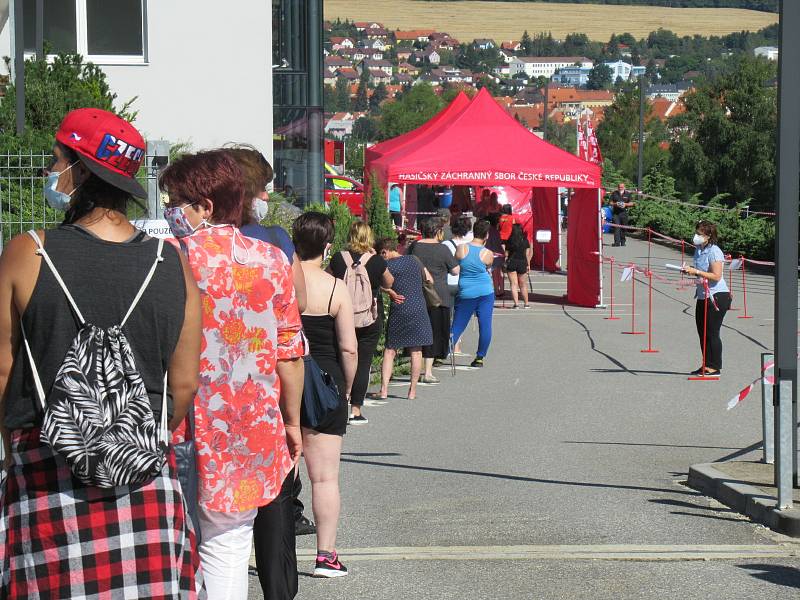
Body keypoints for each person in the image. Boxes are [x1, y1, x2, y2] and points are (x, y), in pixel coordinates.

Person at [0, 108, 204, 598]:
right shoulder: (171, 264)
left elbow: (3, 369)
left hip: (46, 470)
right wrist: (125, 435)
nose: (51, 171)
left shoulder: (29, 253)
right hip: (145, 479)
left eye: (57, 160)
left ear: (81, 169)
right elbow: (184, 385)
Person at [160, 150, 306, 600]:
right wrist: (292, 420)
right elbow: (289, 352)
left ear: (205, 205)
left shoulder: (168, 257)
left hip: (177, 423)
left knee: (177, 549)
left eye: (176, 200)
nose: (170, 210)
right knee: (229, 546)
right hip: (251, 426)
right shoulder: (271, 259)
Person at [292, 212, 357, 578]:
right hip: (326, 381)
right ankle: (325, 556)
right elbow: (348, 348)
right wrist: (347, 388)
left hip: (285, 376)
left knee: (282, 472)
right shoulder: (336, 288)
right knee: (325, 477)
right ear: (327, 247)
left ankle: (275, 549)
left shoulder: (283, 283)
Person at [329, 221, 396, 425]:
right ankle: (355, 410)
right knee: (363, 363)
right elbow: (389, 282)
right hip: (369, 318)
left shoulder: (339, 258)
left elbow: (326, 278)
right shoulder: (376, 261)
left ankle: (339, 403)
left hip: (341, 316)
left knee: (340, 360)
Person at [228, 145, 306, 312]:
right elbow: (300, 301)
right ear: (243, 191)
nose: (266, 196)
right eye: (262, 188)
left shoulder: (200, 244)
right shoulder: (276, 238)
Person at [375, 237, 433, 400]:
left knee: (390, 350)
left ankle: (384, 390)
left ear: (385, 251)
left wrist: (388, 292)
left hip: (400, 309)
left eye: (381, 254)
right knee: (416, 351)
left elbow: (379, 284)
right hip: (419, 308)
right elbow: (429, 279)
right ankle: (412, 391)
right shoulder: (414, 260)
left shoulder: (387, 266)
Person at [409, 220, 459, 383]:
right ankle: (428, 372)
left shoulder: (415, 247)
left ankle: (415, 369)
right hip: (439, 296)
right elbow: (455, 270)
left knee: (418, 333)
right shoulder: (442, 248)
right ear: (438, 232)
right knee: (435, 334)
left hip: (418, 294)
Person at [684, 221, 730, 377]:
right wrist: (690, 271)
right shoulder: (698, 250)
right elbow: (701, 272)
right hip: (703, 295)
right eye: (696, 233)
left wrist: (695, 271)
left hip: (716, 296)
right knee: (702, 331)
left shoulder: (714, 251)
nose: (696, 237)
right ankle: (706, 364)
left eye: (700, 234)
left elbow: (716, 276)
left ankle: (714, 367)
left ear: (708, 236)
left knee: (712, 332)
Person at [451, 220, 495, 368]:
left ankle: (442, 351)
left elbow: (456, 264)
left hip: (466, 291)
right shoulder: (487, 253)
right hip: (485, 292)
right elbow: (488, 267)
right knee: (485, 324)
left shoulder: (462, 248)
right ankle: (480, 357)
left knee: (458, 324)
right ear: (486, 235)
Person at [444, 216, 473, 355]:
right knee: (460, 316)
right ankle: (456, 346)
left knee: (447, 316)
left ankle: (447, 344)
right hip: (465, 283)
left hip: (448, 282)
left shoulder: (445, 245)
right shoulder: (470, 244)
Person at [505, 223, 533, 309]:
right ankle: (526, 304)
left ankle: (516, 304)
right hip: (522, 262)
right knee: (523, 284)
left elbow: (506, 254)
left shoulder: (509, 240)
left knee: (513, 284)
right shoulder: (525, 240)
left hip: (512, 262)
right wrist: (528, 265)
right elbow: (527, 254)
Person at [485, 213, 505, 297]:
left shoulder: (488, 231)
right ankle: (502, 289)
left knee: (494, 273)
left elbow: (488, 243)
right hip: (499, 252)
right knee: (500, 272)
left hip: (492, 253)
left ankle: (496, 290)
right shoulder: (497, 231)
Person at [609, 182, 635, 247]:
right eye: (619, 187)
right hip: (616, 213)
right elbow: (610, 202)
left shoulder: (628, 194)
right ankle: (617, 243)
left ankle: (623, 242)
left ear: (624, 187)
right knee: (617, 227)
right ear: (618, 187)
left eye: (622, 187)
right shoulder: (614, 193)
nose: (620, 188)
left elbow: (632, 203)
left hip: (624, 213)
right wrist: (616, 204)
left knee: (623, 227)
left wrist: (625, 204)